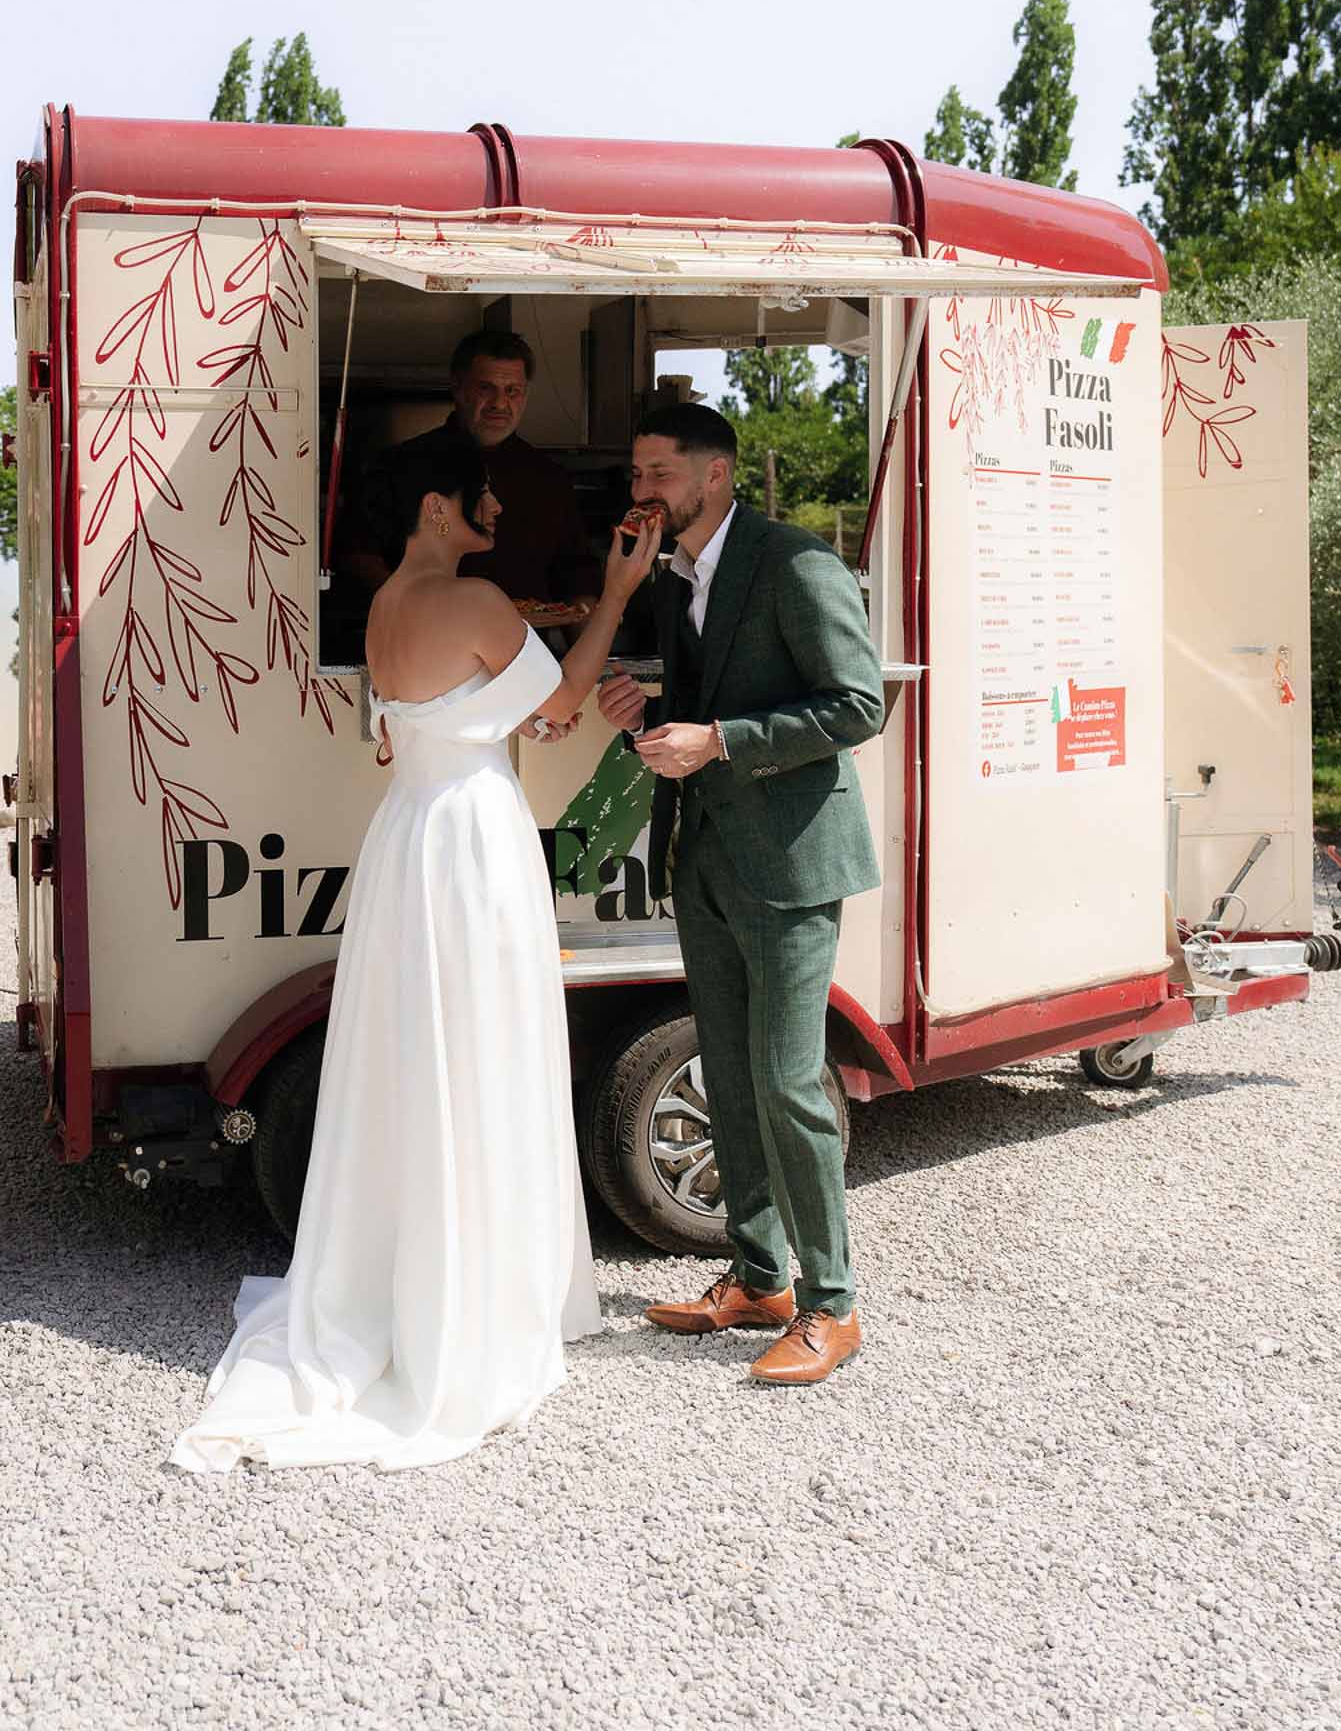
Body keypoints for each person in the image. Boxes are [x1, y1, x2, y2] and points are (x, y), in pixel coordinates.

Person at [171, 425, 661, 1472]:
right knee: (478, 1051)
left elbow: (440, 721)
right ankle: (478, 1294)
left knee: (412, 1055)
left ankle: (405, 1275)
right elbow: (562, 708)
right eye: (480, 505)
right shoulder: (475, 604)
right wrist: (617, 594)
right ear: (435, 509)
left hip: (406, 832)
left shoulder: (386, 605)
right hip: (472, 837)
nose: (497, 519)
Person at [597, 405, 884, 1386]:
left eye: (659, 468)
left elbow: (858, 703)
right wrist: (655, 711)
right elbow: (706, 698)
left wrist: (719, 739)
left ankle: (831, 1303)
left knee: (788, 1078)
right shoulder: (678, 578)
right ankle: (758, 1276)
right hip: (707, 856)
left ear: (715, 474)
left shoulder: (798, 563)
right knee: (728, 1067)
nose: (643, 486)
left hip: (792, 860)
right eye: (639, 467)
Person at [447, 329, 597, 605]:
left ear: (525, 394)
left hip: (531, 644)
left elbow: (576, 576)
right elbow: (362, 556)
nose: (500, 403)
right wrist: (412, 611)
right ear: (458, 388)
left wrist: (591, 641)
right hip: (430, 642)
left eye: (512, 391)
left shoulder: (549, 478)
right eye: (485, 388)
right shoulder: (404, 466)